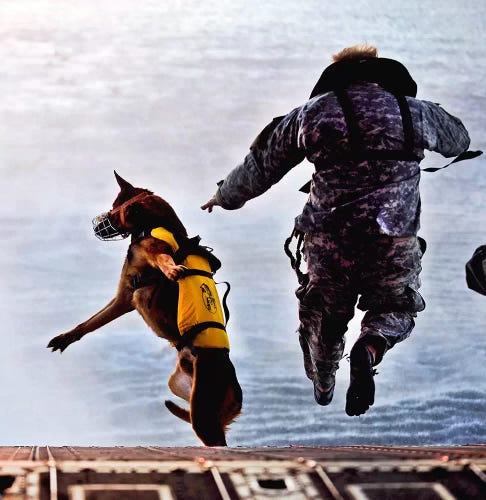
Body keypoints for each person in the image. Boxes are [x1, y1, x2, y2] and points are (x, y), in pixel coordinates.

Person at [201, 44, 472, 416]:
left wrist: (223, 196)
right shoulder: (416, 112)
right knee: (393, 304)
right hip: (393, 239)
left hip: (330, 242)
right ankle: (371, 347)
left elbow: (260, 166)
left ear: (336, 75)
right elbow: (460, 140)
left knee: (324, 316)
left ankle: (324, 383)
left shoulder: (312, 115)